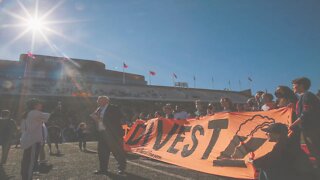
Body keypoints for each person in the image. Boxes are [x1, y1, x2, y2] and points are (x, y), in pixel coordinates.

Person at [90, 96, 126, 175]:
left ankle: (121, 168)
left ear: (106, 101)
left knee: (117, 152)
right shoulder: (98, 109)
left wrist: (102, 118)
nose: (98, 102)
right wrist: (94, 118)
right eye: (98, 101)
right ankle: (103, 169)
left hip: (112, 134)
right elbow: (97, 121)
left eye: (100, 100)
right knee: (102, 152)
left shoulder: (114, 108)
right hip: (102, 134)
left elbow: (119, 117)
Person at [290, 77, 320, 168]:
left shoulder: (307, 96)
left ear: (301, 85)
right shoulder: (302, 98)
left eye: (294, 85)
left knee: (315, 148)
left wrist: (293, 124)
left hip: (312, 128)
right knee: (313, 149)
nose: (293, 87)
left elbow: (306, 114)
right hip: (307, 128)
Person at [20, 98, 51, 180]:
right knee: (31, 162)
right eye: (39, 104)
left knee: (27, 161)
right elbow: (48, 116)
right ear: (35, 105)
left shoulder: (27, 113)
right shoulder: (34, 112)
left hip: (28, 140)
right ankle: (28, 178)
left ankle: (26, 177)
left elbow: (22, 128)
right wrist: (57, 108)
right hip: (33, 141)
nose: (41, 105)